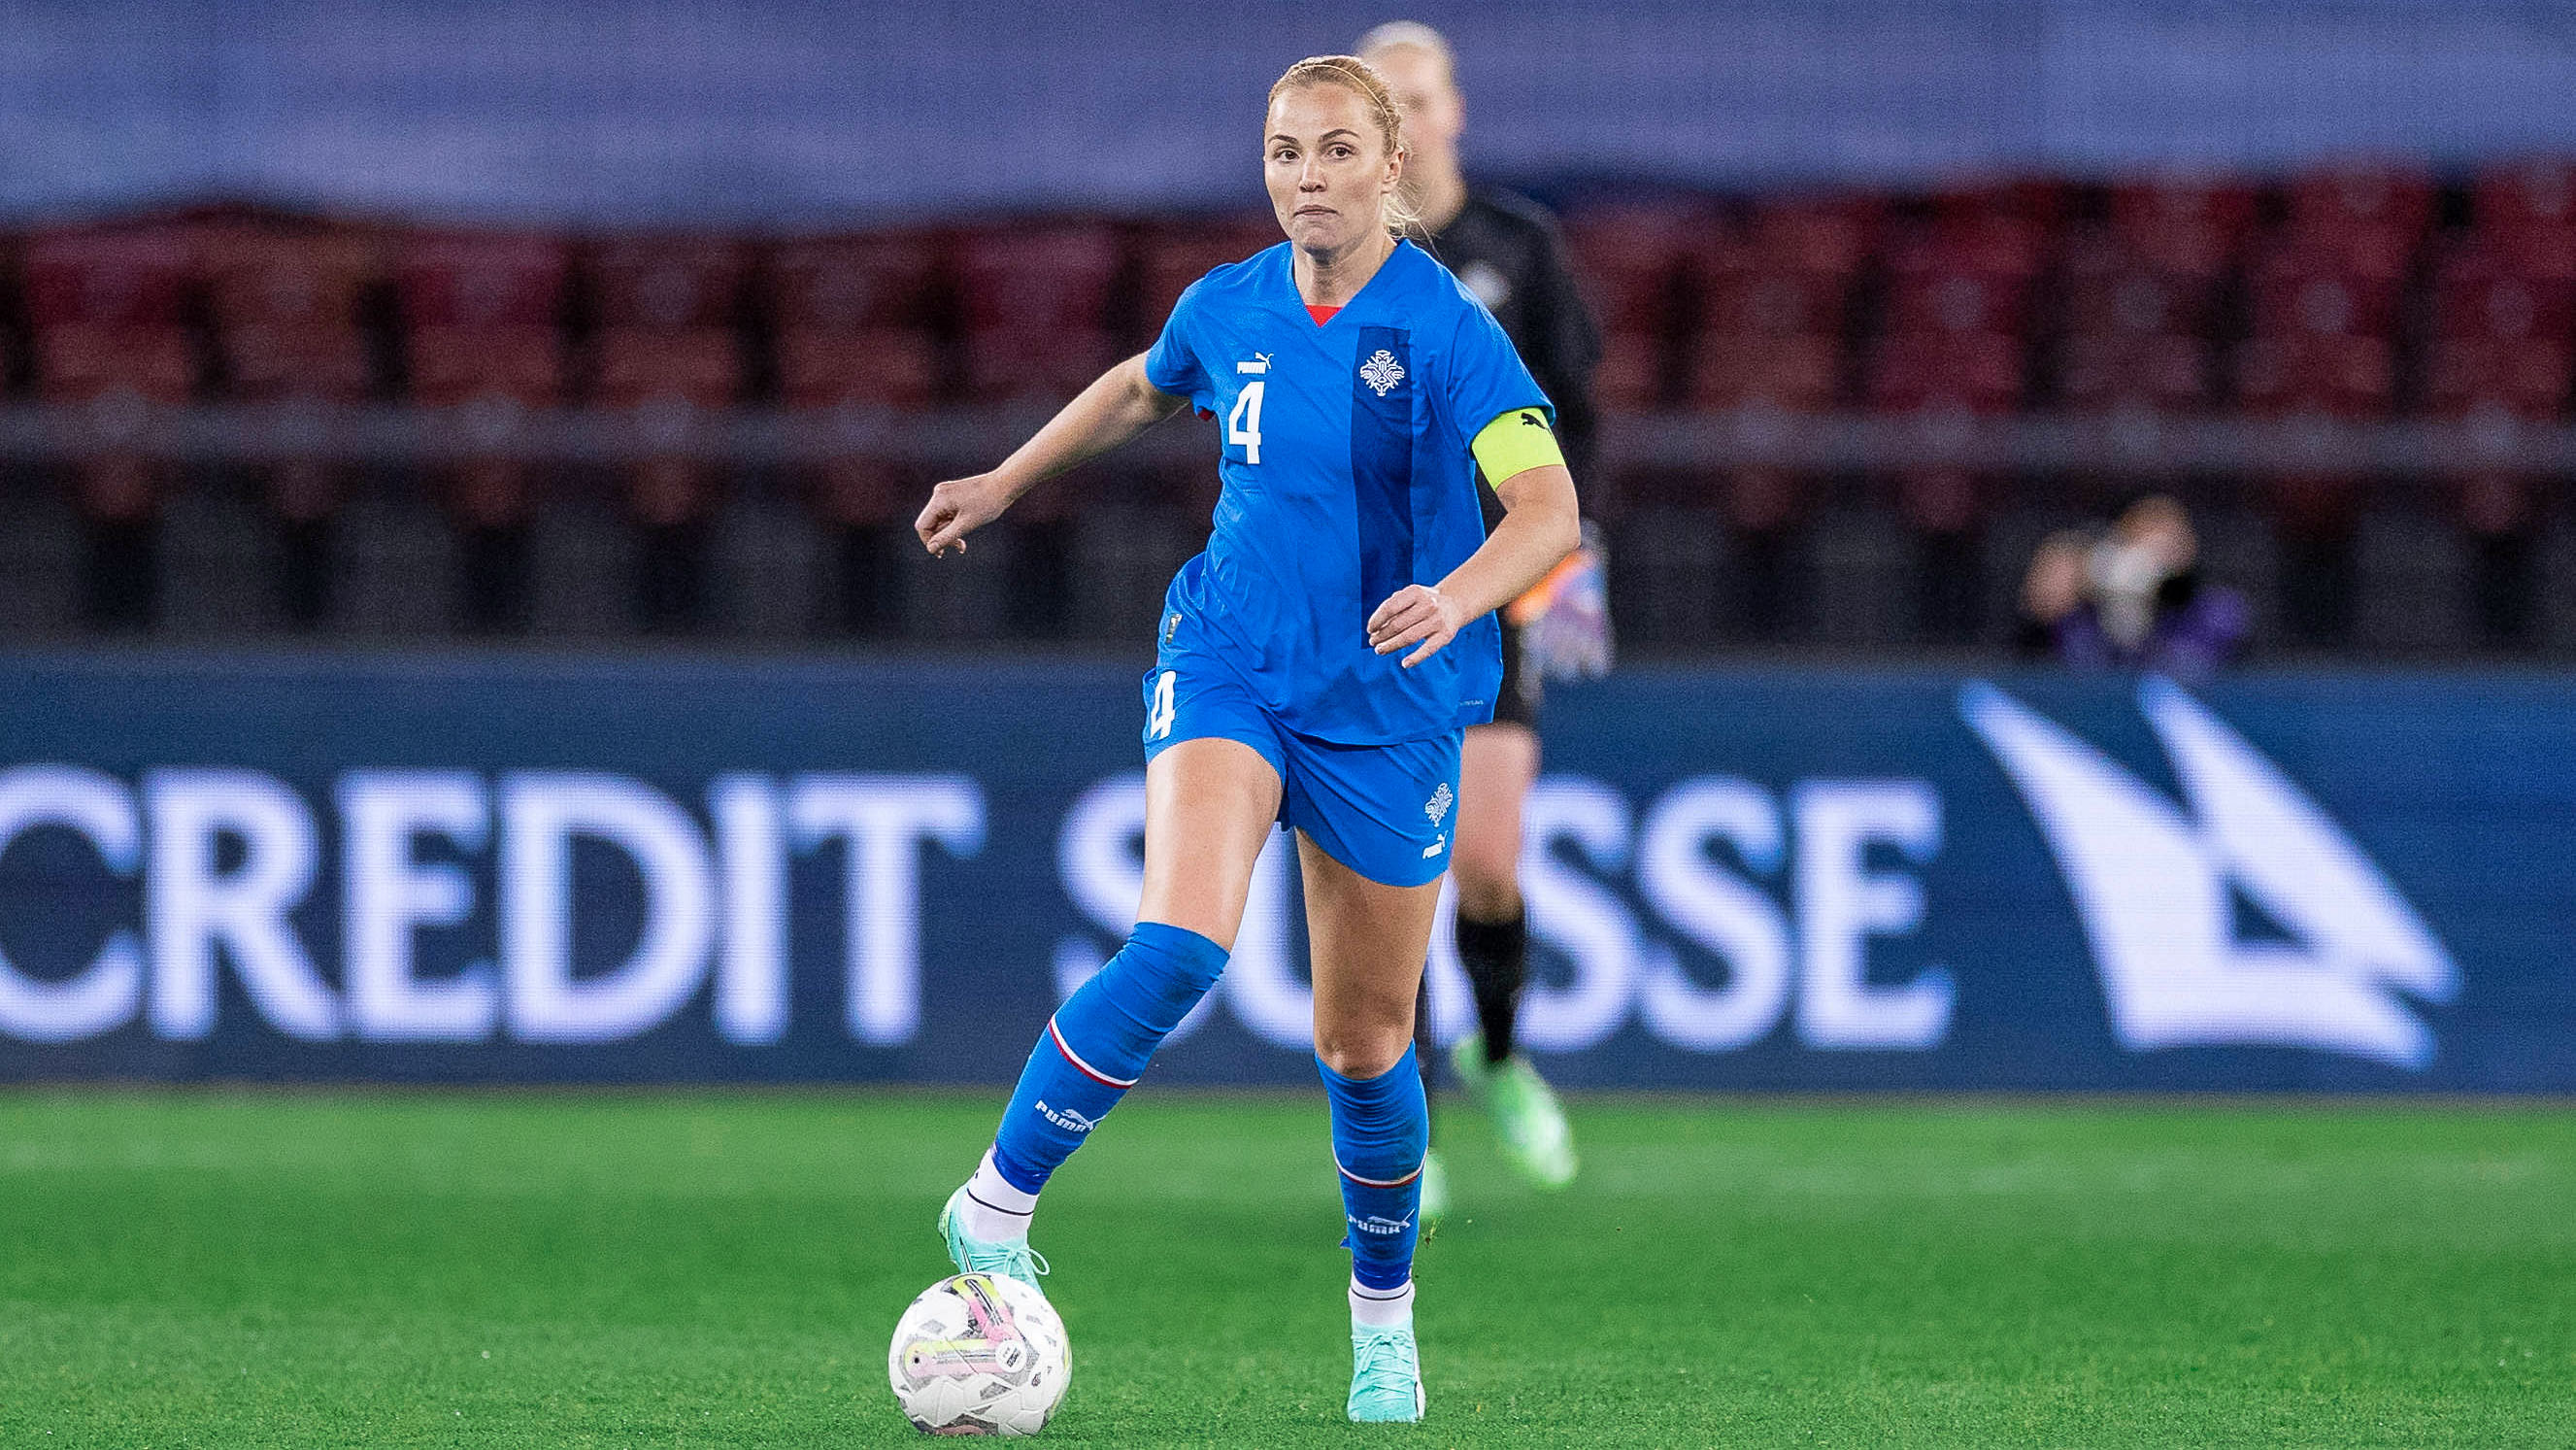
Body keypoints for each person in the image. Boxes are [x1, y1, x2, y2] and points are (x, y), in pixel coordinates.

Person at [912, 53, 1581, 1426]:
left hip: (1389, 707)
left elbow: (1547, 509)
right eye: (1284, 152)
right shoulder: (1226, 303)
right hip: (1226, 660)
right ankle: (991, 1207)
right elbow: (1140, 388)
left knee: (1363, 1046)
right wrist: (1006, 477)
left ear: (1391, 168)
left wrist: (1452, 599)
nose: (1307, 179)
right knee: (1179, 943)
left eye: (1336, 151)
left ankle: (1382, 1321)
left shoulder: (1446, 327)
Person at [1358, 20, 1606, 1215]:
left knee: (1488, 863)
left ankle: (1497, 1053)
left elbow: (1576, 420)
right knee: (1392, 872)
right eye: (1380, 106)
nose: (1403, 123)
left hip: (1497, 588)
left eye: (1418, 97)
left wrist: (1572, 554)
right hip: (1373, 605)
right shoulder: (1342, 258)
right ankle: (1407, 1133)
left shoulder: (1519, 246)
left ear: (1452, 112)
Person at [2014, 494, 2249, 682]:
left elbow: (2198, 665)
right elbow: (2076, 667)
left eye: (2169, 550)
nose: (2160, 564)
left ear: (2189, 551)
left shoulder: (2217, 608)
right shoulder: (2086, 611)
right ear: (2122, 554)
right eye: (2148, 552)